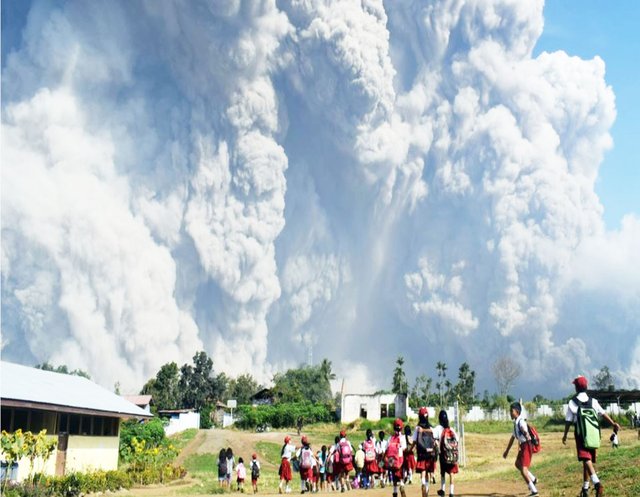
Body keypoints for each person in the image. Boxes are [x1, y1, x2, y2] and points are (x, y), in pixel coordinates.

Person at [562, 375, 620, 497]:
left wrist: (565, 435)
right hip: (593, 433)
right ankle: (585, 489)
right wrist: (613, 423)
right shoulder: (593, 401)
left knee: (585, 459)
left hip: (580, 434)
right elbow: (603, 413)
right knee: (586, 461)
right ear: (586, 387)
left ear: (576, 388)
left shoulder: (573, 402)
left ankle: (597, 483)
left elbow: (568, 421)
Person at [502, 402, 539, 497]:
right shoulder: (516, 423)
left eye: (511, 411)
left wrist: (525, 434)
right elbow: (512, 438)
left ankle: (534, 491)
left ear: (517, 412)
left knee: (523, 470)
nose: (510, 413)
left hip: (526, 445)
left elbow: (524, 429)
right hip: (523, 446)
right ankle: (533, 479)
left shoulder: (521, 421)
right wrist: (507, 451)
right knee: (517, 464)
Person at [413, 407, 437, 497]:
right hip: (430, 453)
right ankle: (426, 489)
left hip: (421, 453)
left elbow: (414, 440)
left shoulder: (417, 428)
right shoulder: (431, 427)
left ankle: (423, 483)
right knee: (427, 471)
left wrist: (411, 448)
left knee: (423, 471)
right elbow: (435, 437)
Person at [434, 410, 458, 497]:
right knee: (451, 472)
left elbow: (435, 439)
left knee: (443, 472)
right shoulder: (451, 429)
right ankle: (451, 492)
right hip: (452, 454)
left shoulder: (438, 429)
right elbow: (457, 440)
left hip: (443, 454)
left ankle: (443, 490)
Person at [385, 418, 407, 497]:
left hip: (391, 460)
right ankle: (401, 484)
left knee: (394, 475)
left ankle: (394, 491)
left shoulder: (390, 438)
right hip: (399, 459)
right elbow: (404, 448)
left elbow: (386, 449)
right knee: (400, 475)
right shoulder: (403, 437)